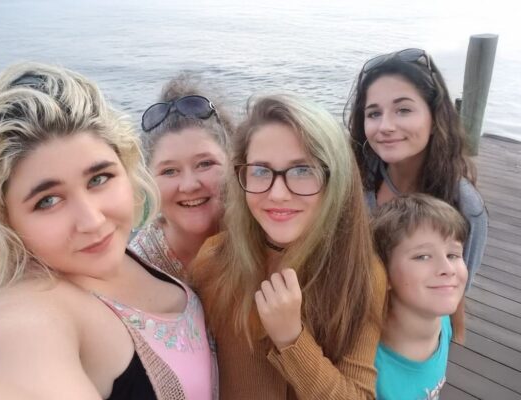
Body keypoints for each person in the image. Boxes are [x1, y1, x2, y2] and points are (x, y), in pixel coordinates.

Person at [0, 63, 215, 399]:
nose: (92, 221)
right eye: (47, 201)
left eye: (99, 179)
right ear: (4, 219)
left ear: (127, 168)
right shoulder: (28, 312)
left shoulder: (129, 254)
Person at [191, 94, 387, 399]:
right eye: (260, 171)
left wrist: (291, 340)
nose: (278, 194)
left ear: (336, 178)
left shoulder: (360, 273)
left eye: (302, 170)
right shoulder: (214, 261)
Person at [346, 48, 487, 289]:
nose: (385, 126)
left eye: (403, 110)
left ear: (435, 119)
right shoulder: (357, 176)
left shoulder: (465, 205)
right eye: (374, 113)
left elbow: (456, 293)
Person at [129, 75, 232, 280]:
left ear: (233, 161)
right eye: (169, 171)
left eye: (205, 164)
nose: (189, 185)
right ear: (148, 180)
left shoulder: (266, 238)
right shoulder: (137, 270)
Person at [371, 194, 468, 400]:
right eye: (422, 256)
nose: (448, 268)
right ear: (383, 273)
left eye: (453, 255)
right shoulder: (370, 369)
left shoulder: (443, 322)